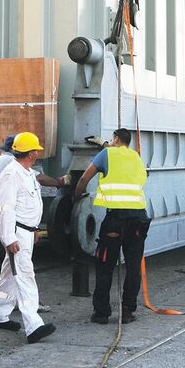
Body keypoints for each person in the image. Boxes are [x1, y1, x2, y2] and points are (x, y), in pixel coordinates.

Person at [0, 132, 57, 343]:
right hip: (16, 233)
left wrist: (33, 230)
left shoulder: (26, 173)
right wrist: (8, 238)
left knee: (9, 276)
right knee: (25, 276)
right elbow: (5, 208)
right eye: (37, 150)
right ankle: (33, 325)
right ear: (32, 153)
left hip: (25, 232)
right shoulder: (11, 174)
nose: (38, 153)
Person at [74, 128, 150, 325]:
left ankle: (101, 313)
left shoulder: (106, 154)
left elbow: (84, 178)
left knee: (105, 265)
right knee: (133, 267)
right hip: (138, 219)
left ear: (116, 139)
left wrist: (76, 197)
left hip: (116, 219)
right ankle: (127, 311)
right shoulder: (136, 157)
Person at [0, 134, 69, 297]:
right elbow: (38, 178)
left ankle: (0, 298)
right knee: (17, 265)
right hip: (7, 220)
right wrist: (60, 181)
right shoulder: (12, 166)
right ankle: (22, 302)